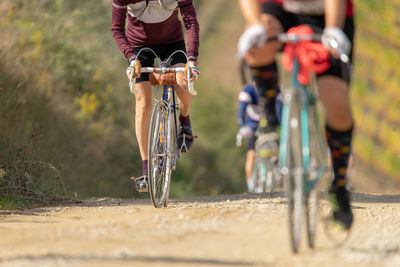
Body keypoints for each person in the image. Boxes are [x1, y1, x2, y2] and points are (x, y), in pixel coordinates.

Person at [237, 0, 355, 229]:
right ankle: (270, 121)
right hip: (280, 11)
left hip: (329, 15)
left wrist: (333, 29)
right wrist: (253, 26)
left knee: (336, 101)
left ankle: (339, 186)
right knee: (258, 44)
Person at [111, 0, 200, 192]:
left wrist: (191, 59)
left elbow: (190, 22)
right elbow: (116, 28)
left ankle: (184, 120)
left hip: (172, 43)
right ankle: (146, 169)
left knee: (183, 84)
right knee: (143, 102)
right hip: (139, 47)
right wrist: (130, 57)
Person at [237, 82, 261, 193]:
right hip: (252, 126)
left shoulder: (272, 86)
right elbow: (241, 112)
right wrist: (242, 127)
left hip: (268, 124)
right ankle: (251, 185)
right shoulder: (248, 91)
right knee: (251, 155)